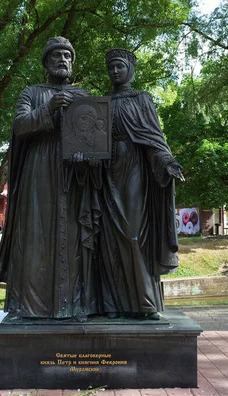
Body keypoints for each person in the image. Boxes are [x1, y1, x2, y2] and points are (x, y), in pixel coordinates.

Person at [0, 37, 100, 320]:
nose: (63, 59)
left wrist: (88, 156)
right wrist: (49, 107)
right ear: (46, 62)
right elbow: (19, 125)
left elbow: (96, 137)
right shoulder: (32, 92)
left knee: (74, 236)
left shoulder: (84, 96)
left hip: (73, 174)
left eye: (67, 55)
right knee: (34, 237)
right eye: (56, 55)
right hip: (39, 169)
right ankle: (28, 307)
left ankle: (75, 305)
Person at [98, 48, 183, 320]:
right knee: (108, 239)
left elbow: (153, 138)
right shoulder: (100, 103)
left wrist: (167, 161)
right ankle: (111, 304)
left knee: (133, 235)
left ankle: (145, 303)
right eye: (111, 67)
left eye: (119, 66)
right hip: (105, 173)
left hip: (134, 171)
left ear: (130, 69)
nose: (114, 71)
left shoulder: (141, 99)